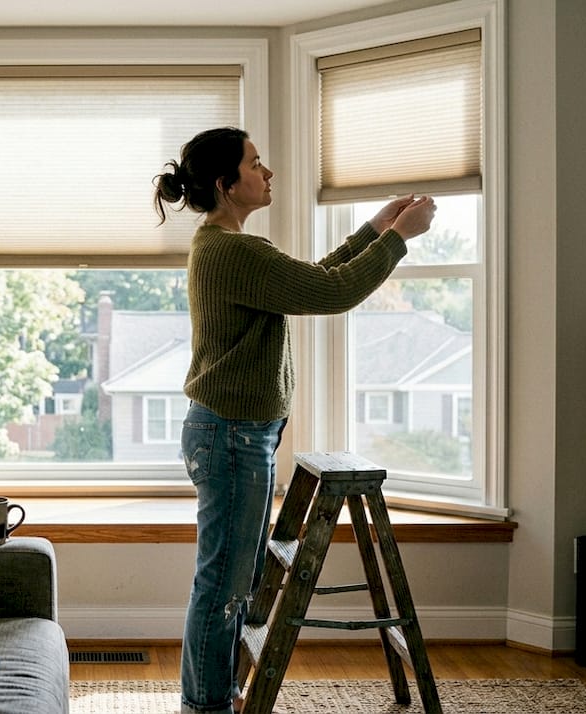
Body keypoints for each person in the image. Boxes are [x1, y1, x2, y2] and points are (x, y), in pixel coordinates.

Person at [152, 126, 435, 714]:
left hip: (234, 434)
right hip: (231, 437)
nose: (269, 172)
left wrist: (374, 230)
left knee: (233, 583)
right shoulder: (232, 251)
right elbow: (333, 292)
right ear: (228, 185)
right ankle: (205, 708)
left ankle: (213, 697)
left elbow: (313, 277)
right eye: (257, 164)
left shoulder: (227, 248)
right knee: (223, 588)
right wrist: (397, 241)